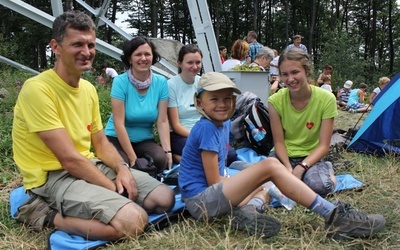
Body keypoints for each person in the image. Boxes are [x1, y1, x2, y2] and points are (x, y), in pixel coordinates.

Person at [12, 11, 174, 240]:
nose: (86, 52)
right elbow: (68, 158)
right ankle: (43, 214)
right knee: (135, 221)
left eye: (91, 45)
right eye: (77, 44)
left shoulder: (88, 90)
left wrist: (121, 168)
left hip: (88, 163)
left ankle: (107, 198)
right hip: (52, 177)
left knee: (164, 199)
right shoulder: (37, 89)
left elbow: (100, 141)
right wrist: (113, 188)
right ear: (55, 47)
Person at [178, 71, 385, 239]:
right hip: (202, 203)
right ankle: (334, 216)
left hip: (211, 197)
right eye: (214, 99)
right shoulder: (206, 128)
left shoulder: (221, 124)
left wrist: (251, 180)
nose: (222, 104)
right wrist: (248, 179)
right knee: (268, 167)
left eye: (227, 99)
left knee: (265, 180)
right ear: (199, 102)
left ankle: (247, 212)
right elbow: (214, 180)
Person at [268, 48, 337, 196]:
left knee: (321, 187)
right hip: (282, 156)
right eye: (284, 74)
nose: (290, 79)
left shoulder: (326, 99)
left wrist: (301, 167)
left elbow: (324, 145)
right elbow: (279, 142)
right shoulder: (275, 101)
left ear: (306, 71)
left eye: (295, 72)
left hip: (310, 157)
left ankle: (326, 168)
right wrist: (287, 167)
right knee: (264, 184)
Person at [105, 36, 173, 172]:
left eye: (147, 54)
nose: (143, 58)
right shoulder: (120, 82)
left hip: (143, 139)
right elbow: (119, 124)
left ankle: (144, 168)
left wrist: (168, 152)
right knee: (123, 165)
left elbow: (162, 121)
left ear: (153, 57)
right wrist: (132, 157)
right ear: (130, 59)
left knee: (160, 160)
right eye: (138, 54)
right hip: (117, 137)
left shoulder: (161, 82)